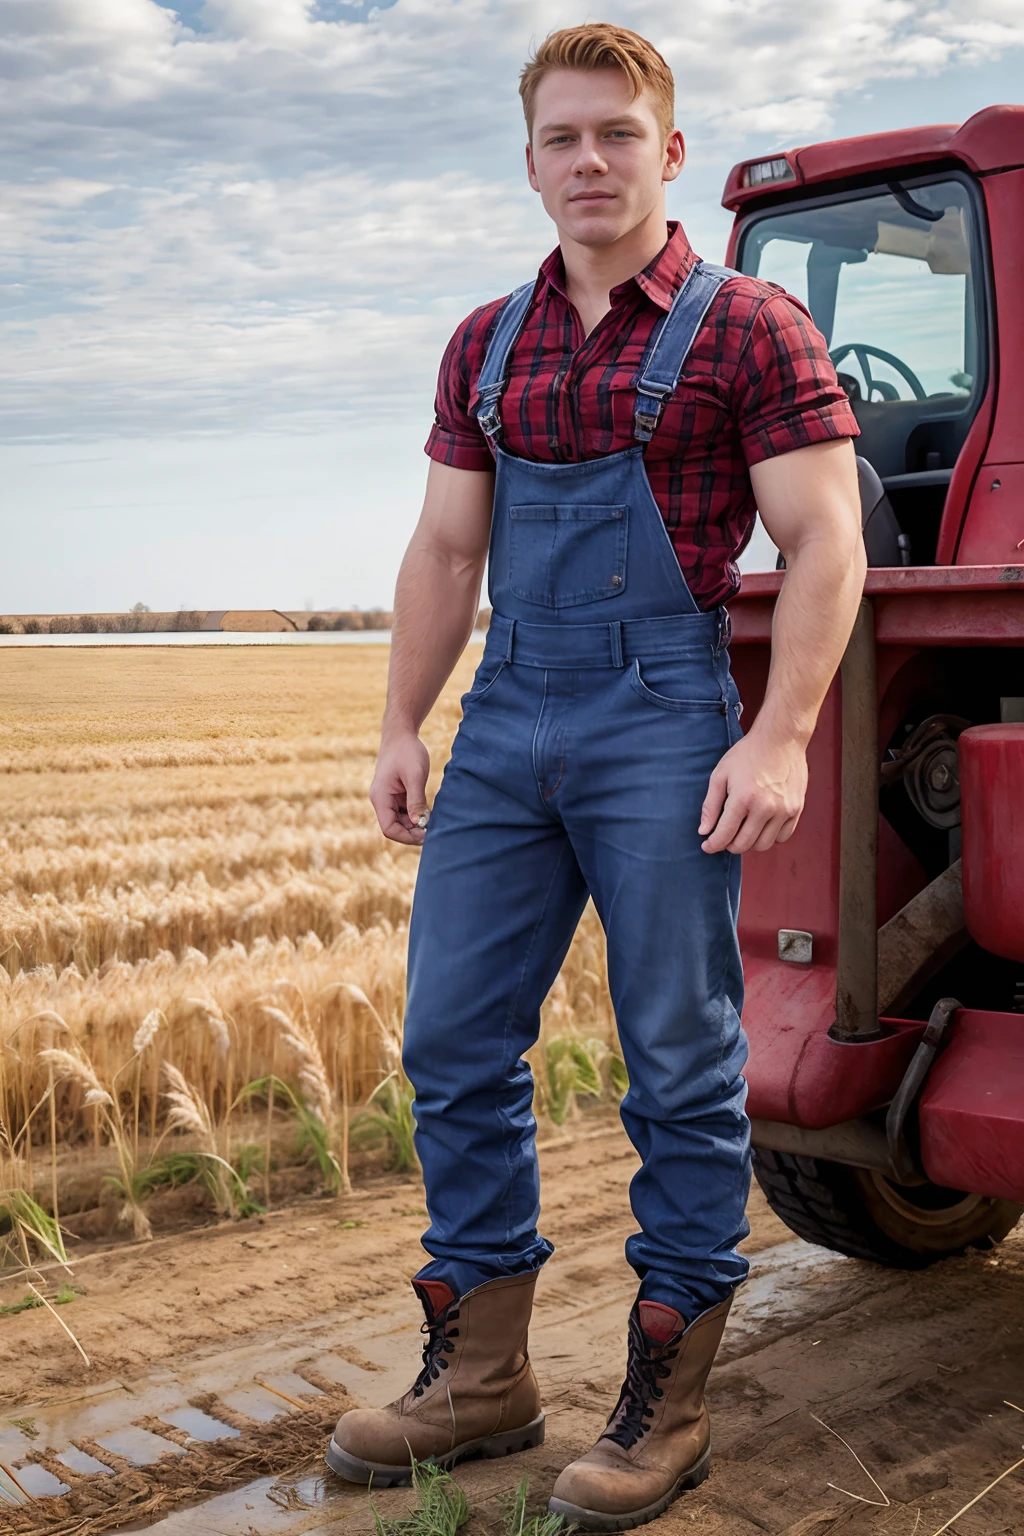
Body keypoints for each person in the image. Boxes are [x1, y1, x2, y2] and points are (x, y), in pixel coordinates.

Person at [328, 22, 865, 1531]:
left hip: (661, 716)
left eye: (618, 135)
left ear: (669, 151)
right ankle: (480, 1378)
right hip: (507, 717)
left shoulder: (749, 327)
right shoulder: (486, 343)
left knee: (679, 1061)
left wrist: (781, 735)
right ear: (530, 163)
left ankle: (665, 1397)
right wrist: (401, 722)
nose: (590, 162)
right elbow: (446, 550)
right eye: (563, 139)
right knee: (450, 1041)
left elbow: (825, 541)